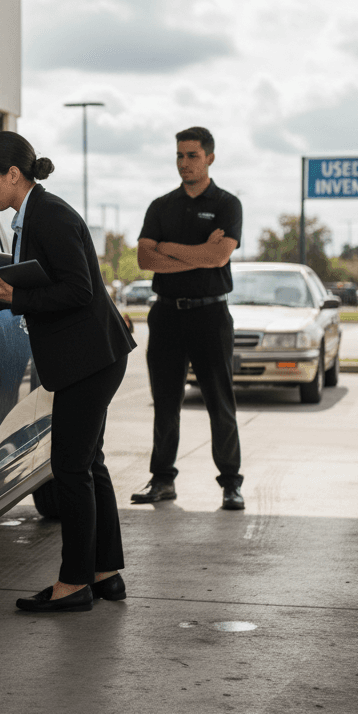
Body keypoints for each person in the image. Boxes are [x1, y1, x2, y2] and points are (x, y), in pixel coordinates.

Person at [0, 131, 136, 612]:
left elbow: (79, 290)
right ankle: (106, 574)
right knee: (89, 464)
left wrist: (15, 300)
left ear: (13, 175)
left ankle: (73, 584)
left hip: (90, 360)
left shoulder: (51, 215)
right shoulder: (34, 215)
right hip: (92, 357)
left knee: (69, 468)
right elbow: (42, 281)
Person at [132, 126, 245, 511]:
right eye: (179, 155)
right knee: (165, 402)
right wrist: (196, 251)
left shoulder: (228, 204)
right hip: (165, 314)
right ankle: (162, 480)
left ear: (210, 157)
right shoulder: (161, 206)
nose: (184, 163)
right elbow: (145, 260)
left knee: (220, 400)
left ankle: (231, 483)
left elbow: (218, 258)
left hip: (210, 314)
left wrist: (169, 249)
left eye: (192, 155)